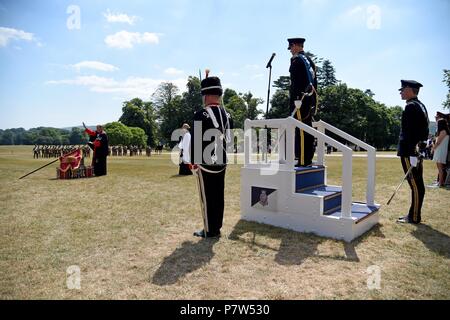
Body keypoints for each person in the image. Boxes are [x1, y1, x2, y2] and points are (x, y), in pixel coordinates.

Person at [189, 71, 233, 238]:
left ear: (205, 95)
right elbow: (229, 141)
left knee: (207, 197)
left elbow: (196, 142)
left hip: (206, 163)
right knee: (218, 195)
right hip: (222, 160)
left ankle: (209, 230)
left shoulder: (201, 114)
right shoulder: (228, 115)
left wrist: (193, 162)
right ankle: (217, 227)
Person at [396, 80, 429, 224]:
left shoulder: (411, 107)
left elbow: (410, 133)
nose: (401, 92)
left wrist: (412, 153)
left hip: (410, 152)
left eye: (402, 89)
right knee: (417, 185)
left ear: (409, 89)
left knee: (415, 185)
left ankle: (414, 217)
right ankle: (413, 214)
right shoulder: (420, 105)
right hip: (415, 151)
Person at [287, 37, 318, 167]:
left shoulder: (297, 60)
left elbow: (296, 84)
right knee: (307, 127)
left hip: (300, 99)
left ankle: (303, 159)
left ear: (295, 45)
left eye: (291, 48)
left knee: (301, 129)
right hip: (310, 99)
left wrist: (295, 99)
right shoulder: (309, 60)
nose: (290, 51)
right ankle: (307, 157)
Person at [432, 112, 449, 187]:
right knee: (440, 167)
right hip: (440, 149)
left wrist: (433, 149)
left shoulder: (443, 131)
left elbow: (438, 142)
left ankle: (440, 183)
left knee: (440, 167)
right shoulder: (444, 131)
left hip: (440, 150)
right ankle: (440, 182)